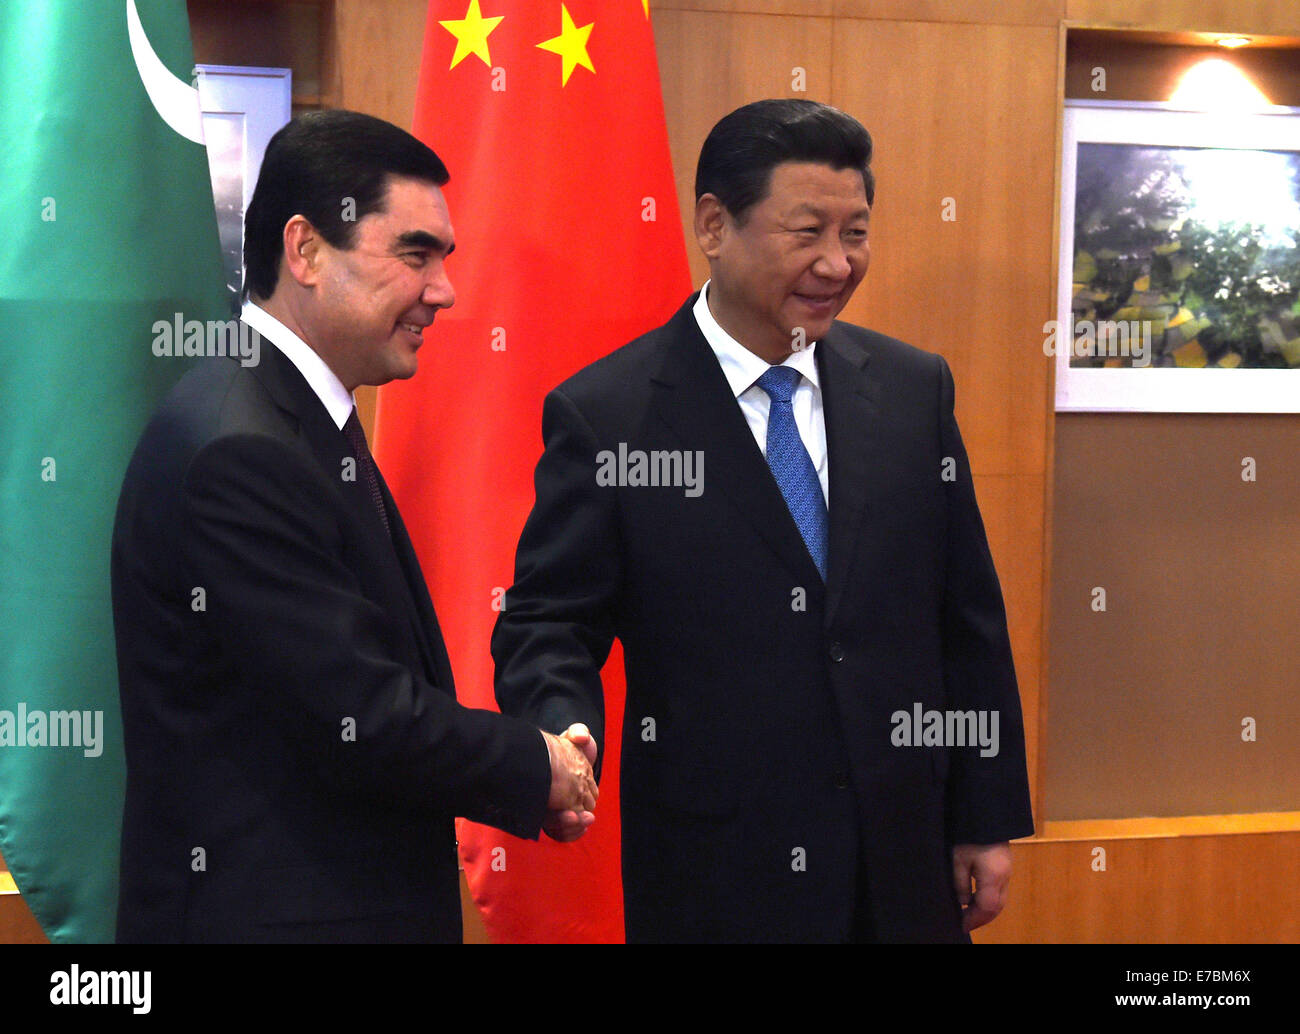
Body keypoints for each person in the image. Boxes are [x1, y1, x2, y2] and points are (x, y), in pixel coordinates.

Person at [492, 99, 1034, 942]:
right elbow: (548, 622)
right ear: (715, 224)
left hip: (903, 860)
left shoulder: (912, 390)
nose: (837, 263)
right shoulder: (612, 415)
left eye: (855, 233)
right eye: (807, 231)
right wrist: (563, 728)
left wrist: (985, 814)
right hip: (719, 870)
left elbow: (968, 618)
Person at [111, 110, 596, 943]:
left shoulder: (289, 413)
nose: (444, 289)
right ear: (304, 250)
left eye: (444, 258)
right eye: (415, 253)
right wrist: (538, 765)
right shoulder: (241, 447)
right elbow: (362, 718)